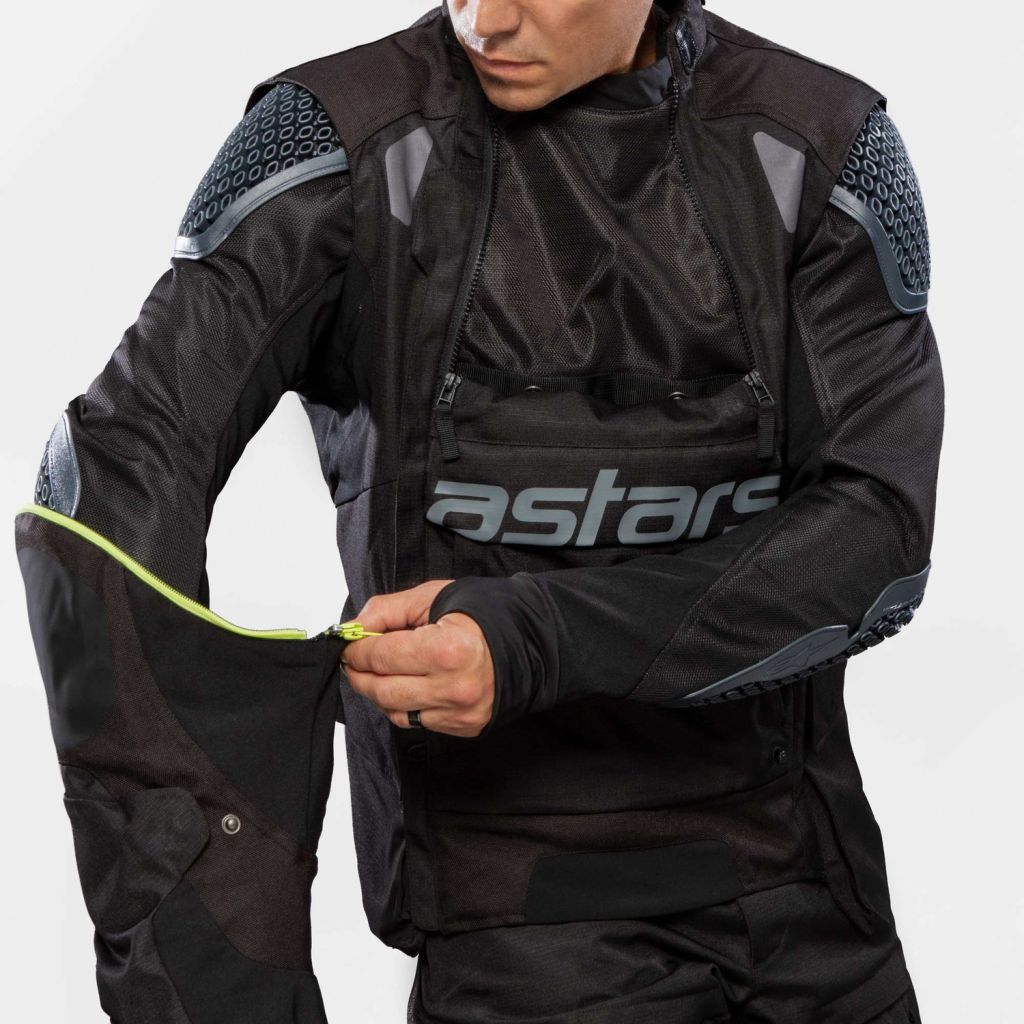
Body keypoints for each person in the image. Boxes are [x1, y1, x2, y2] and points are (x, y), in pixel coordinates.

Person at [18, 1, 941, 1021]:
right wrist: (212, 963)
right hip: (522, 932)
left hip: (814, 909)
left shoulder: (824, 147)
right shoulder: (336, 141)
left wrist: (535, 636)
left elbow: (878, 543)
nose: (485, 19)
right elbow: (101, 488)